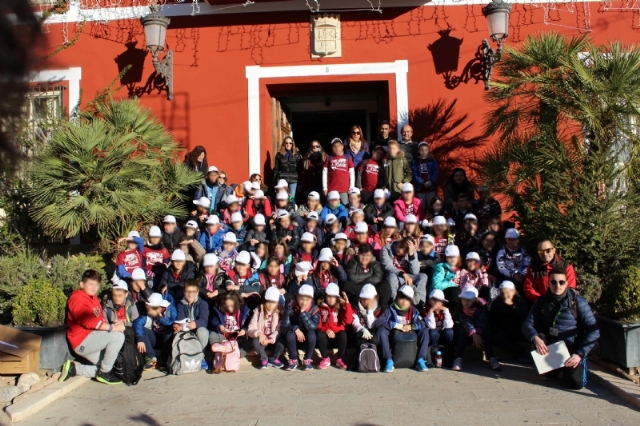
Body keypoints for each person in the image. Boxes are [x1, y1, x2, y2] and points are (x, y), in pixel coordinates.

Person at [522, 267, 600, 390]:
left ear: (566, 283)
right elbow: (527, 324)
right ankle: (557, 368)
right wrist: (535, 338)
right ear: (549, 283)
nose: (557, 285)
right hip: (553, 347)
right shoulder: (541, 301)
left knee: (576, 384)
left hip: (573, 348)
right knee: (548, 376)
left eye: (561, 282)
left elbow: (594, 331)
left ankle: (575, 365)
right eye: (553, 282)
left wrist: (579, 354)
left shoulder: (578, 302)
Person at [59, 270, 125, 385]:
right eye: (90, 284)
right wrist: (111, 327)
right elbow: (88, 321)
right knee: (118, 336)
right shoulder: (77, 299)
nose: (94, 287)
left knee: (111, 364)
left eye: (96, 284)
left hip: (93, 338)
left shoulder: (93, 297)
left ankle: (74, 369)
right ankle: (105, 373)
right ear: (82, 284)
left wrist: (115, 323)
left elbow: (99, 319)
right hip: (82, 341)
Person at [378, 285, 429, 373]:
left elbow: (423, 322)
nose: (404, 301)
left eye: (407, 298)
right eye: (402, 297)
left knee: (424, 331)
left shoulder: (414, 311)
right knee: (381, 331)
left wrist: (412, 326)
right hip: (394, 334)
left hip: (409, 333)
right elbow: (379, 322)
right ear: (397, 296)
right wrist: (395, 325)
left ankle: (420, 359)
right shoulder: (389, 309)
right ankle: (388, 360)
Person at [453, 286, 500, 372]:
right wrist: (473, 333)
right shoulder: (459, 308)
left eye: (469, 299)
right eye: (464, 299)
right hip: (468, 333)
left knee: (486, 330)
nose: (466, 302)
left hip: (480, 332)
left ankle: (492, 358)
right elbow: (465, 321)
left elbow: (482, 320)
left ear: (475, 299)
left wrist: (477, 332)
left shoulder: (482, 306)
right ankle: (458, 359)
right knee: (462, 331)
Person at [132, 292, 176, 370]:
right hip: (156, 338)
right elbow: (137, 323)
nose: (148, 312)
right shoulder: (148, 313)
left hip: (168, 339)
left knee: (168, 332)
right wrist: (140, 338)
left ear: (159, 308)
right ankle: (152, 358)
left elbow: (172, 324)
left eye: (149, 310)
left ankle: (164, 360)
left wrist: (159, 318)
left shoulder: (171, 310)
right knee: (142, 330)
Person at [281, 284, 320, 371]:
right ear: (297, 297)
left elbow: (313, 327)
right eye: (301, 299)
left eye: (307, 300)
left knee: (312, 335)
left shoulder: (314, 309)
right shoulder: (290, 307)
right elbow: (284, 327)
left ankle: (307, 359)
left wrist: (303, 313)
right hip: (294, 335)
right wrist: (295, 328)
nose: (304, 302)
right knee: (289, 335)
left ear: (311, 300)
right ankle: (294, 359)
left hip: (307, 336)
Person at [524, 239, 577, 303]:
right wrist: (542, 301)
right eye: (541, 251)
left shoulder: (566, 267)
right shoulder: (532, 269)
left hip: (562, 304)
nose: (545, 254)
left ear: (554, 250)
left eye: (548, 250)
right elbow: (529, 289)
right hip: (540, 304)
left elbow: (570, 288)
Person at [172, 280, 210, 367]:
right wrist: (178, 326)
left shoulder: (203, 304)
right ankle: (181, 357)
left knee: (203, 332)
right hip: (185, 329)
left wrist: (196, 323)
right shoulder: (181, 304)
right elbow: (180, 319)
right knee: (176, 333)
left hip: (197, 329)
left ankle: (201, 357)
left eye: (193, 292)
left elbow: (204, 320)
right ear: (184, 292)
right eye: (188, 291)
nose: (190, 294)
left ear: (197, 292)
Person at [381, 237, 428, 306]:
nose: (400, 251)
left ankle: (419, 304)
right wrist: (403, 274)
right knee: (392, 276)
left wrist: (411, 255)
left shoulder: (412, 250)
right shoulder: (386, 249)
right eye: (400, 246)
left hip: (408, 276)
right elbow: (387, 266)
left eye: (404, 250)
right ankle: (394, 302)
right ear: (399, 241)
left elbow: (415, 272)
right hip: (395, 274)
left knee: (423, 276)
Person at [316, 283, 353, 370]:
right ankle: (325, 358)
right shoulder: (321, 308)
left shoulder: (340, 307)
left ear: (337, 297)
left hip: (337, 336)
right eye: (329, 296)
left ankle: (340, 358)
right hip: (326, 336)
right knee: (319, 334)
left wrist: (347, 304)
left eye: (334, 297)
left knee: (343, 334)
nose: (331, 299)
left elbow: (348, 321)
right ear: (325, 296)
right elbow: (318, 325)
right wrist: (326, 330)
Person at [343, 243, 391, 308]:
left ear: (371, 256)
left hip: (373, 290)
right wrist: (370, 274)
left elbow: (378, 278)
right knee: (347, 285)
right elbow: (352, 277)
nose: (365, 258)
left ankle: (381, 310)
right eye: (362, 255)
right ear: (358, 254)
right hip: (359, 290)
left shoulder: (376, 264)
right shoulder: (353, 262)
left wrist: (364, 284)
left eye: (368, 255)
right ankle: (356, 307)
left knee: (385, 285)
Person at [248, 287, 285, 369]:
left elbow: (279, 330)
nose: (270, 305)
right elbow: (251, 328)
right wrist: (259, 333)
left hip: (273, 340)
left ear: (277, 303)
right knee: (255, 341)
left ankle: (273, 358)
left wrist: (271, 339)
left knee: (282, 342)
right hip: (262, 340)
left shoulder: (280, 312)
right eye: (268, 302)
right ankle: (263, 358)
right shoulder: (258, 311)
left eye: (273, 302)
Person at [489, 281, 529, 357]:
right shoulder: (497, 302)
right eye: (502, 293)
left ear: (513, 292)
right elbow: (492, 318)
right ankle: (518, 349)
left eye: (507, 292)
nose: (505, 295)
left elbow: (524, 315)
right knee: (496, 339)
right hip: (504, 330)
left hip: (519, 329)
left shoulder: (519, 301)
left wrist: (511, 306)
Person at [323, 138, 355, 205]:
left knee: (344, 206)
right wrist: (325, 188)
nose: (337, 148)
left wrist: (351, 188)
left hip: (344, 189)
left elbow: (352, 173)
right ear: (332, 148)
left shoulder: (348, 157)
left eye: (339, 146)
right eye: (334, 146)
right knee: (331, 207)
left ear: (342, 147)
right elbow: (324, 173)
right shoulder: (329, 158)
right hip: (332, 189)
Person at [430, 245, 462, 311]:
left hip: (458, 295)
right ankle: (453, 315)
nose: (452, 259)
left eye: (454, 256)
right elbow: (436, 285)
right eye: (450, 257)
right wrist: (452, 284)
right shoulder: (441, 267)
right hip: (443, 293)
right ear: (446, 257)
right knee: (456, 291)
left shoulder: (461, 269)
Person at [411, 141, 439, 207]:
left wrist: (431, 181)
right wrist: (422, 182)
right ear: (418, 151)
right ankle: (421, 217)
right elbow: (415, 173)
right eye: (421, 150)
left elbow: (436, 171)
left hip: (431, 186)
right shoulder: (415, 161)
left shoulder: (432, 160)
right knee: (420, 205)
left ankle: (431, 217)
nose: (424, 152)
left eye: (426, 150)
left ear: (428, 150)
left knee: (431, 204)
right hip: (420, 187)